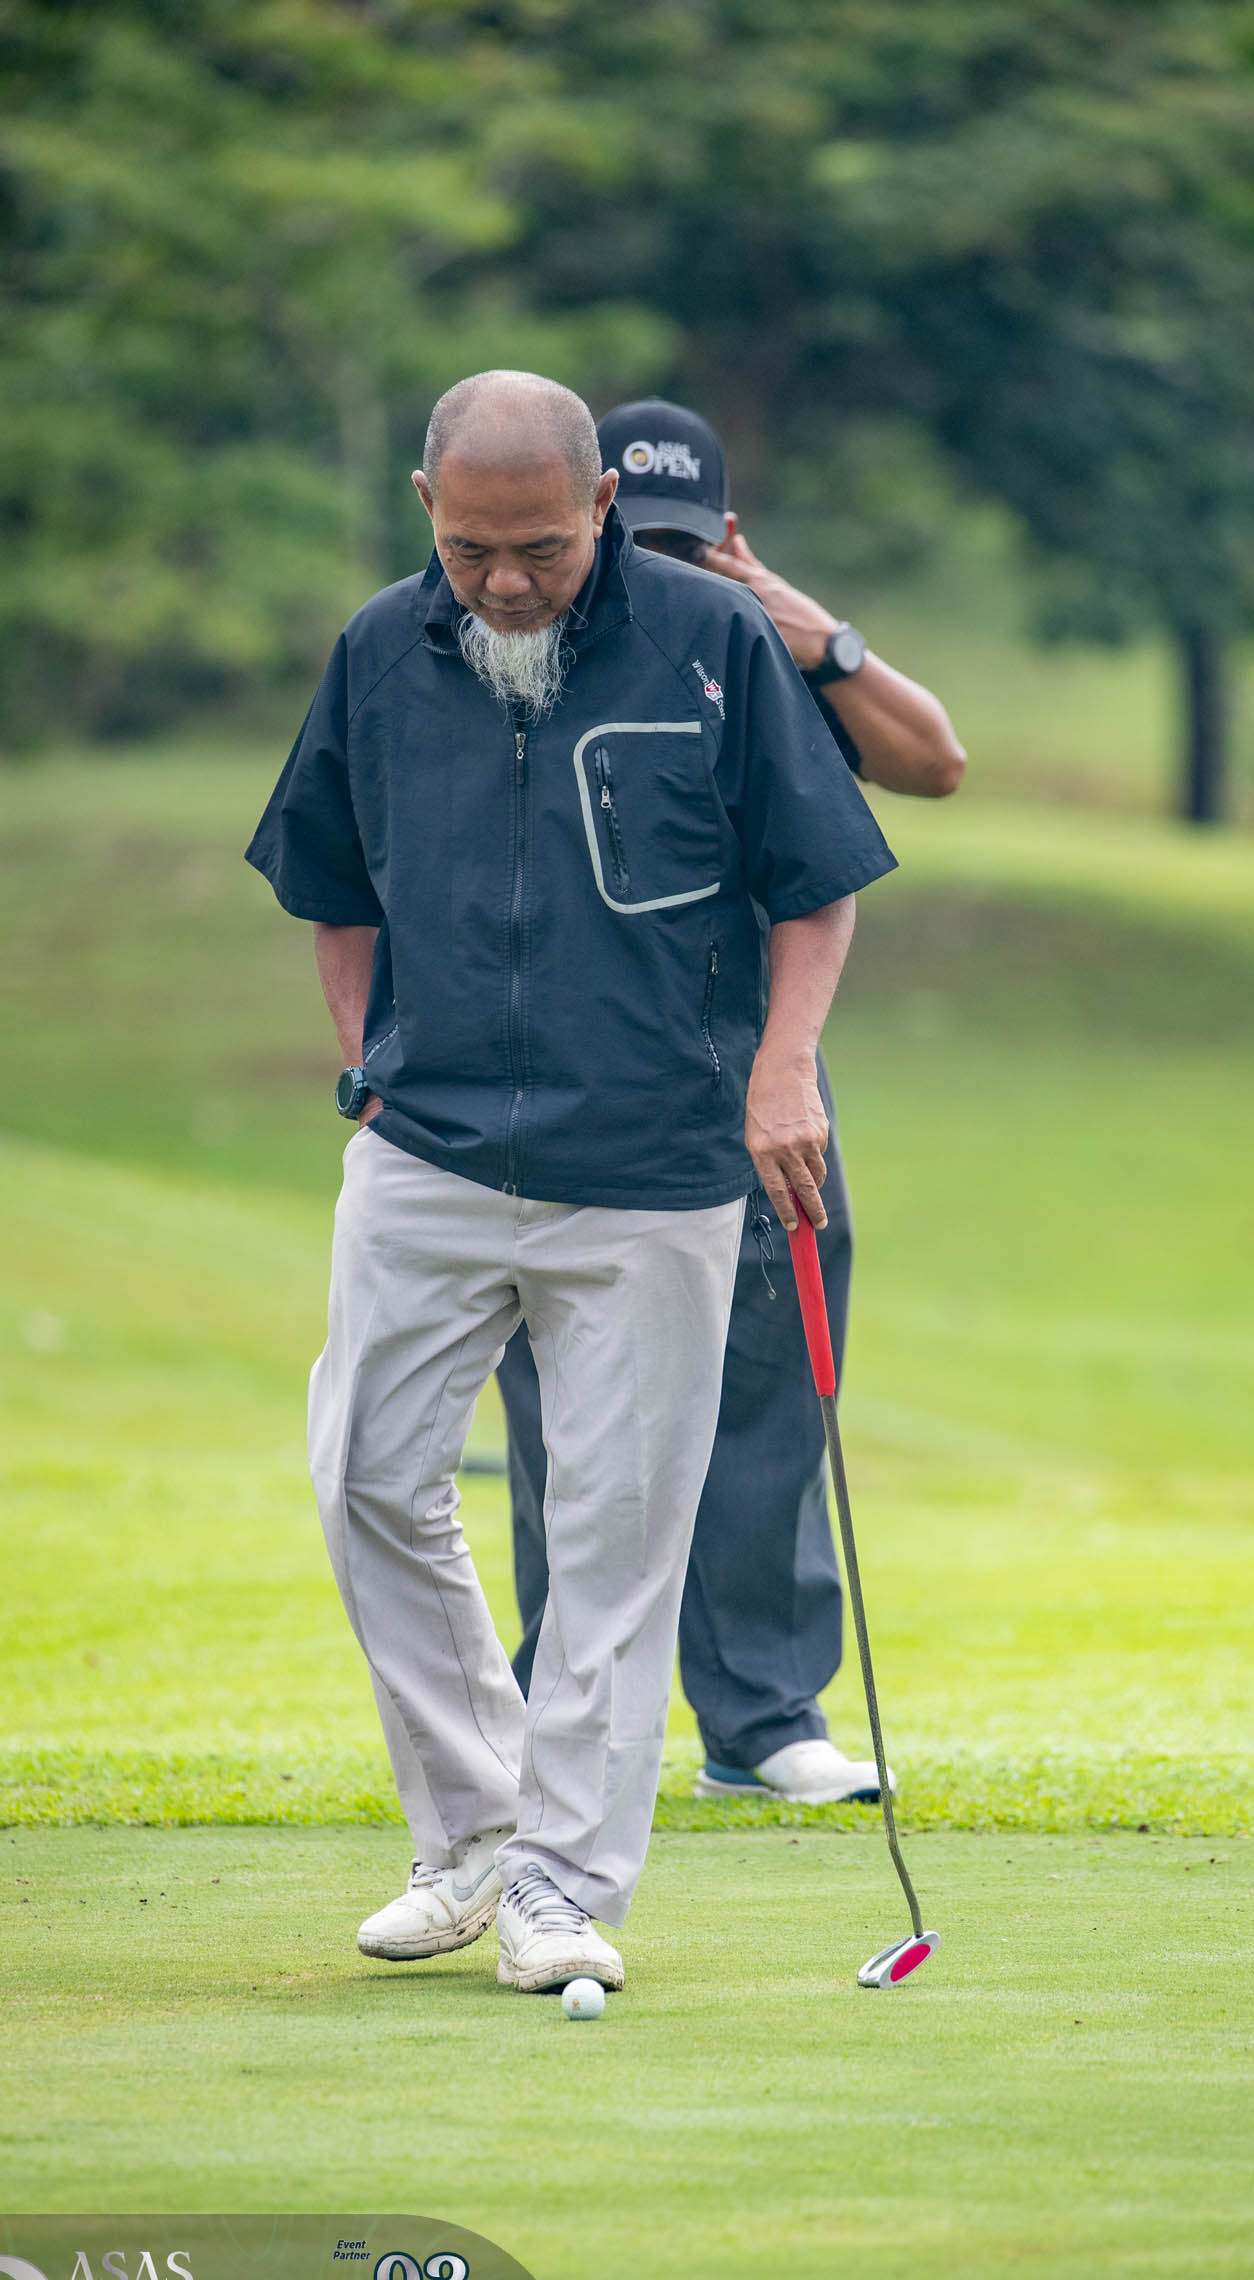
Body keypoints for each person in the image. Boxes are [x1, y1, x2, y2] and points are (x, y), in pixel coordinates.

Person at [246, 371, 895, 1995]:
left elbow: (817, 885)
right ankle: (475, 1828)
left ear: (602, 504)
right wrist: (365, 1066)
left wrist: (783, 1070)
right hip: (431, 1145)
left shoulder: (712, 640)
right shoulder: (379, 652)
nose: (507, 582)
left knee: (616, 1533)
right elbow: (331, 882)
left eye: (540, 547)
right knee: (365, 1475)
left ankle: (560, 1881)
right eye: (472, 550)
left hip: (660, 1162)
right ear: (426, 509)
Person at [496, 399, 965, 1806]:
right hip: (569, 1089)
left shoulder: (757, 654)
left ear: (728, 539)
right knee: (566, 1418)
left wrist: (811, 628)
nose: (663, 568)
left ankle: (761, 1721)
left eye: (688, 546)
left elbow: (934, 762)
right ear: (588, 521)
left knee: (770, 1391)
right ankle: (560, 1722)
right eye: (637, 542)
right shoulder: (519, 654)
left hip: (755, 1082)